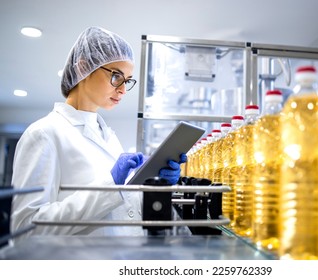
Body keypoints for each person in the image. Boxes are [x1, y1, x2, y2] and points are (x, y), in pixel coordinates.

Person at [10, 26, 186, 238]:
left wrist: (154, 184)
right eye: (116, 76)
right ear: (84, 66)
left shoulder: (107, 136)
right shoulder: (43, 134)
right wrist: (110, 185)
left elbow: (120, 207)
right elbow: (25, 229)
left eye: (127, 81)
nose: (122, 89)